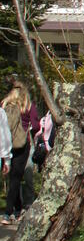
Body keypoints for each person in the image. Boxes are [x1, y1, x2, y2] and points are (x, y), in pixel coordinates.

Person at [1, 82, 37, 224]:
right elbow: (36, 125)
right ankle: (12, 211)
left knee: (11, 178)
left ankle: (15, 208)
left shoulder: (4, 105)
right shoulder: (28, 106)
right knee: (18, 177)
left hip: (5, 144)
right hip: (22, 144)